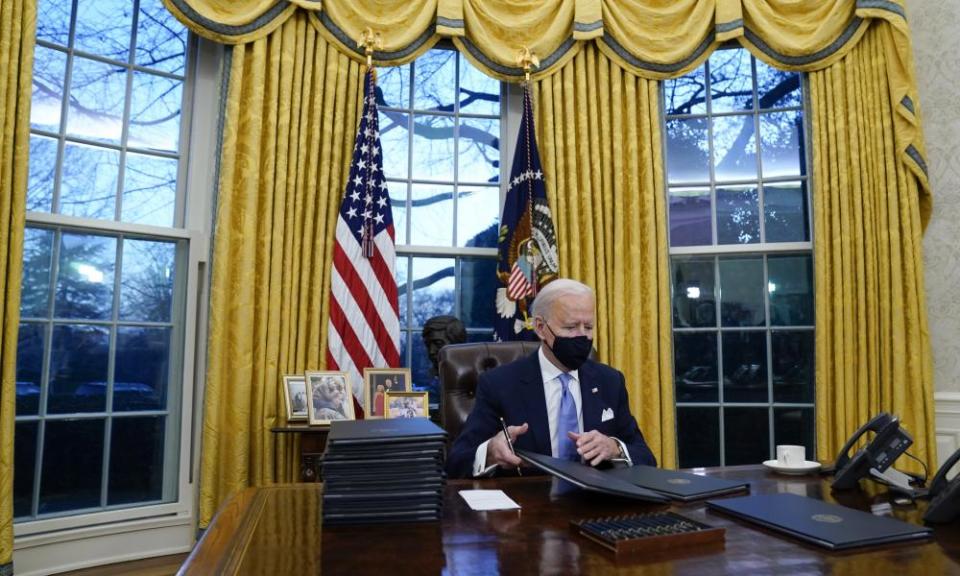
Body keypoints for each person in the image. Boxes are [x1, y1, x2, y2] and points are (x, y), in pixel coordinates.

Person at [446, 278, 656, 478]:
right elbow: (457, 461)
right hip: (531, 506)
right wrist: (490, 452)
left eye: (589, 327)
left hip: (596, 504)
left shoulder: (609, 381)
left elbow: (646, 458)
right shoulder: (499, 384)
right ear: (540, 327)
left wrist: (615, 448)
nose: (582, 336)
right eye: (570, 327)